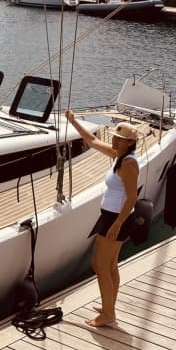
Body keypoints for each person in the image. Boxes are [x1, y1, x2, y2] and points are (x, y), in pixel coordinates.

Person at [66, 110, 140, 327]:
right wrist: (73, 121)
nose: (114, 140)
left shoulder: (128, 164)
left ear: (129, 143)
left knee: (99, 265)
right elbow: (92, 140)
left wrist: (117, 223)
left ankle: (108, 314)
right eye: (116, 137)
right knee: (110, 266)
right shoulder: (120, 156)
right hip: (112, 216)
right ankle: (109, 307)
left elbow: (132, 197)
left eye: (119, 139)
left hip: (116, 219)